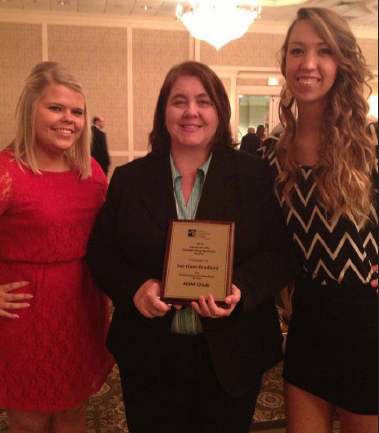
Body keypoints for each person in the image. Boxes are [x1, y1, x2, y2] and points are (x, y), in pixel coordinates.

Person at [86, 61, 300, 433]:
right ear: (163, 112)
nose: (191, 112)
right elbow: (102, 252)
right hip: (150, 353)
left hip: (233, 352)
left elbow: (282, 253)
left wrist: (240, 289)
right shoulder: (130, 179)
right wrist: (135, 289)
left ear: (220, 111)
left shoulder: (255, 176)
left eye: (203, 101)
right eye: (179, 101)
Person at [259, 8, 378, 433]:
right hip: (308, 320)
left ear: (341, 62)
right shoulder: (271, 154)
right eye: (297, 51)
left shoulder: (370, 144)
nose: (308, 63)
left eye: (323, 51)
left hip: (368, 324)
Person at [0, 62, 114, 433]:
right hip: (24, 320)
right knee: (29, 421)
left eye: (77, 111)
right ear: (30, 108)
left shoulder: (91, 172)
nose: (68, 119)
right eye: (56, 108)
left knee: (72, 416)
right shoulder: (6, 172)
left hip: (80, 313)